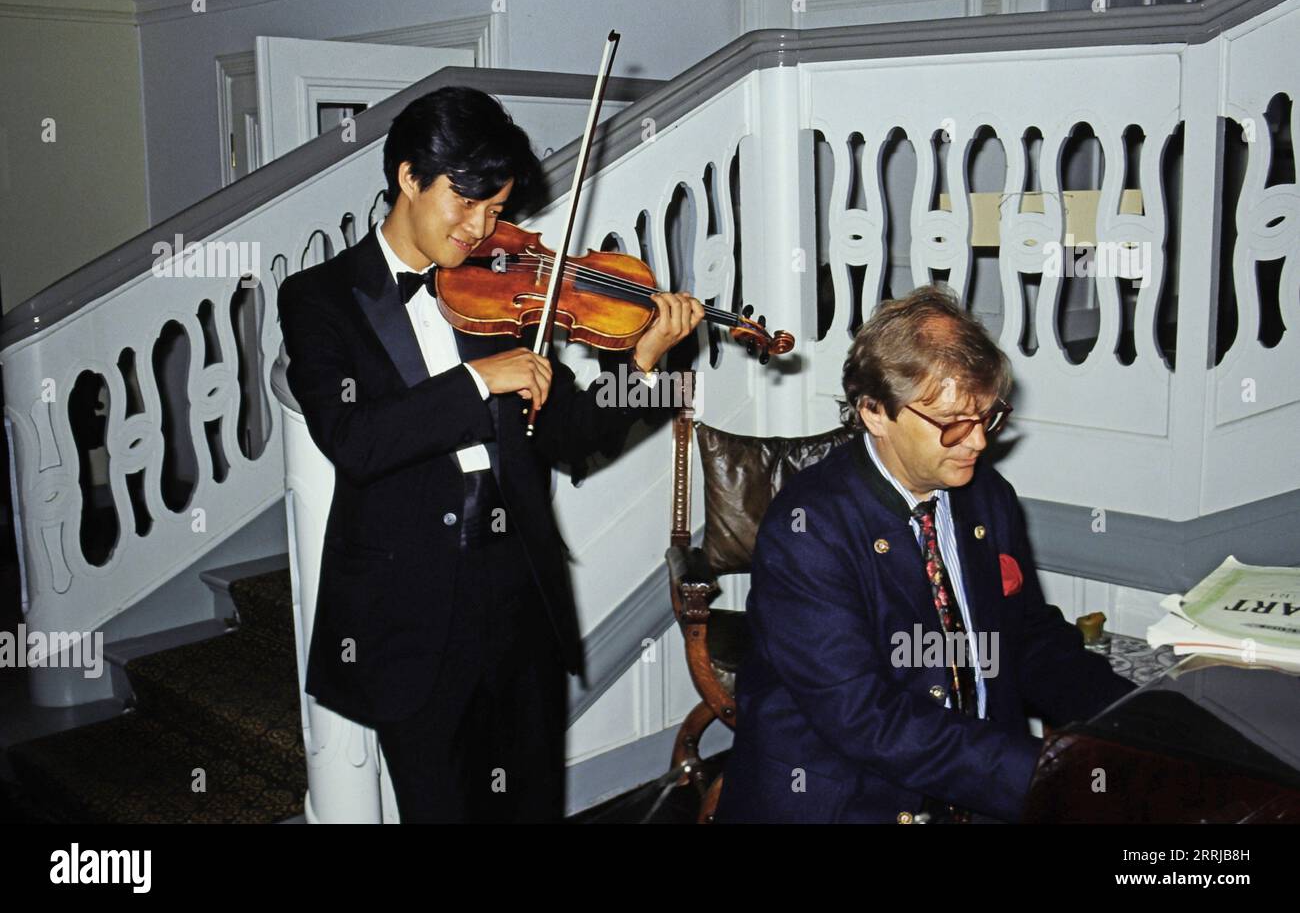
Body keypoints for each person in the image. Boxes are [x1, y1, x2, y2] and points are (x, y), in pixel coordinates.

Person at [277, 86, 703, 822]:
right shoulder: (318, 298)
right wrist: (478, 380)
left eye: (498, 210)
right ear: (408, 177)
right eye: (466, 202)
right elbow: (355, 440)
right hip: (409, 613)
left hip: (517, 600)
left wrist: (643, 367)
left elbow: (572, 437)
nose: (481, 228)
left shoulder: (501, 287)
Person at [715, 286, 1134, 824]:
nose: (978, 441)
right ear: (874, 412)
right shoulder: (808, 528)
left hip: (973, 781)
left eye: (987, 416)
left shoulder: (987, 496)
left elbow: (1026, 639)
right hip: (847, 800)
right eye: (952, 423)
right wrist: (1044, 777)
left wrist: (1133, 724)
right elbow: (866, 718)